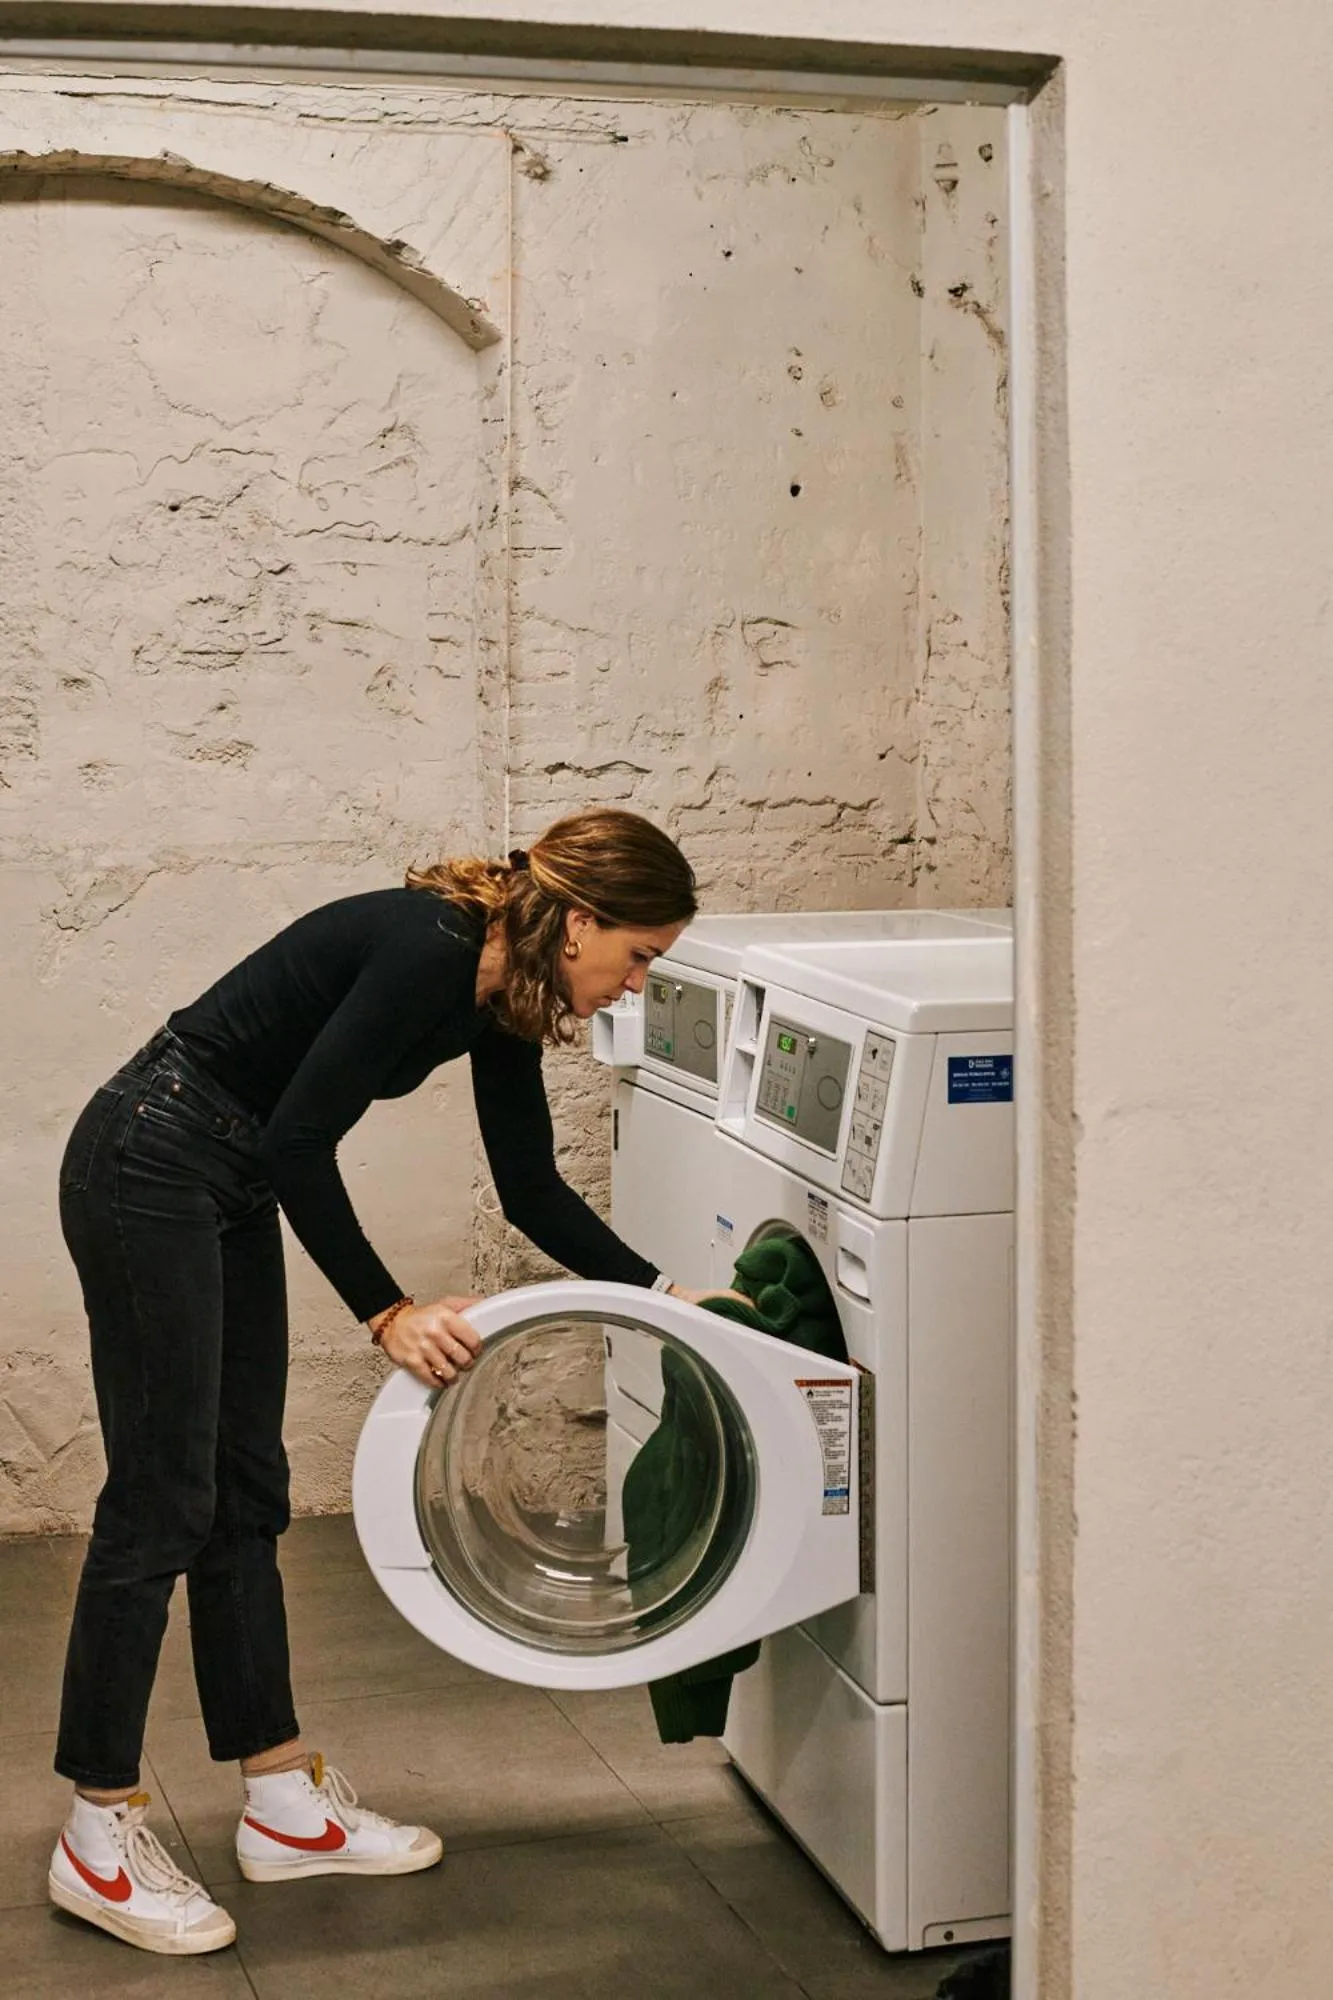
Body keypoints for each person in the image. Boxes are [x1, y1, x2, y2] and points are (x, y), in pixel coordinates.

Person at [48, 806, 704, 1956]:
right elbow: (299, 1137)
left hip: (223, 1172)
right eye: (640, 954)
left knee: (245, 1489)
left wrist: (666, 1293)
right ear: (579, 922)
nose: (637, 981)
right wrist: (387, 1311)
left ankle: (279, 1799)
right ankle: (95, 1834)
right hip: (148, 1155)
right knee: (161, 1499)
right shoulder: (431, 947)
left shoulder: (503, 987)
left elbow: (529, 1188)